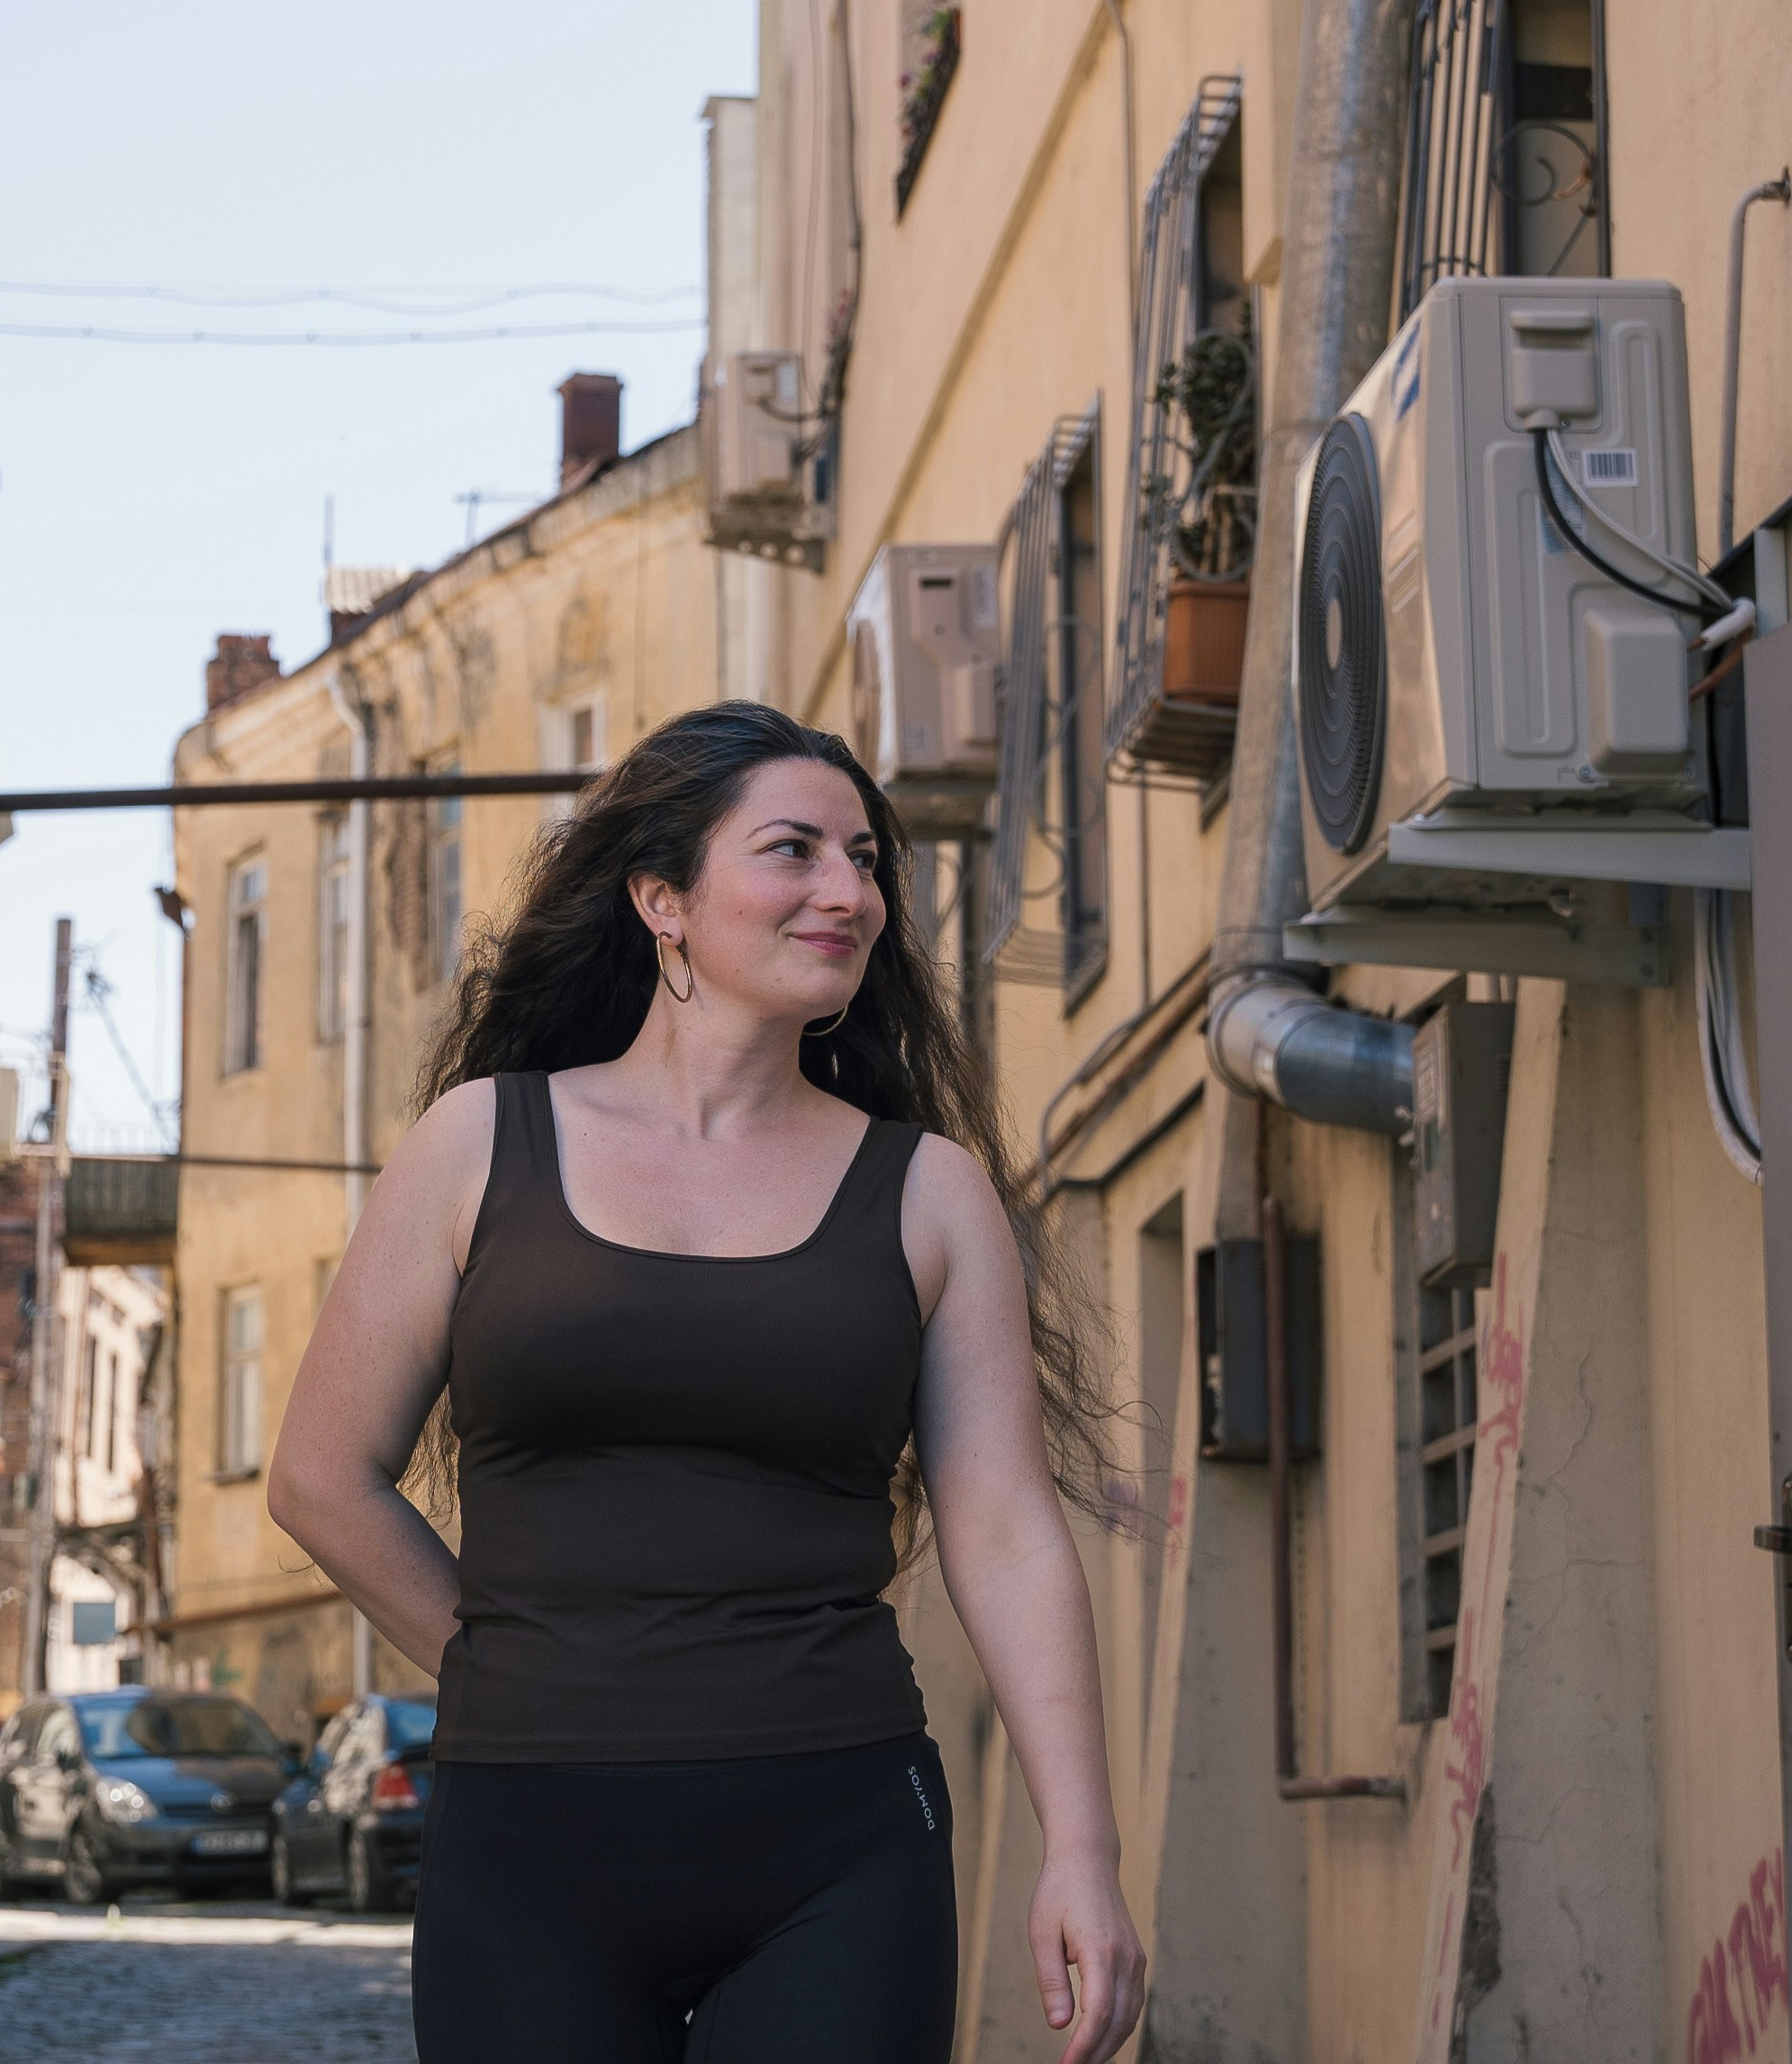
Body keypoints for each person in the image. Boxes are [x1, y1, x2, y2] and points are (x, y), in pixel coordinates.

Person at [268, 701, 1142, 2063]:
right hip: (530, 1851)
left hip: (841, 1845)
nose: (848, 892)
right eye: (795, 851)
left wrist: (1081, 1851)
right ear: (662, 901)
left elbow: (1007, 1532)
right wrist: (518, 1667)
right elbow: (322, 1479)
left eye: (866, 861)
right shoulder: (476, 1145)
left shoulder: (929, 1192)